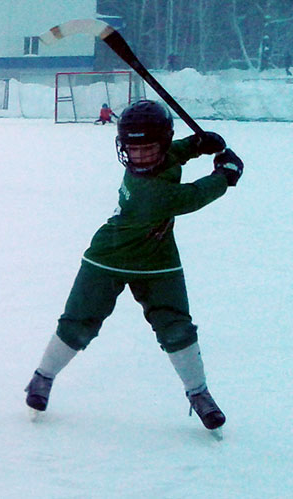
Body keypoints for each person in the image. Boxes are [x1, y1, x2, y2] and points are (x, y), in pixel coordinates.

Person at [24, 100, 244, 434]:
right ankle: (42, 378)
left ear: (163, 144)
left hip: (157, 259)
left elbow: (170, 157)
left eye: (147, 150)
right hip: (107, 258)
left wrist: (195, 146)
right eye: (133, 150)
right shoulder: (152, 191)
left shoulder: (158, 163)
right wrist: (225, 175)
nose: (139, 158)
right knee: (78, 324)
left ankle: (199, 394)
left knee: (176, 328)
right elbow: (195, 195)